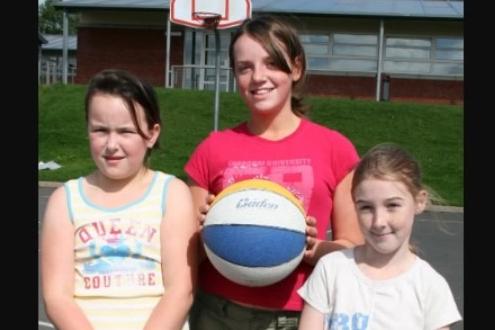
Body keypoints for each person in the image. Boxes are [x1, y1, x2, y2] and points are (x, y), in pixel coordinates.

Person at [184, 15, 364, 330]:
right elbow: (187, 254)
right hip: (219, 313)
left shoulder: (335, 148)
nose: (258, 77)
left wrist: (313, 247)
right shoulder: (213, 149)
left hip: (302, 315)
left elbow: (354, 250)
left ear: (296, 68)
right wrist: (205, 232)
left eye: (271, 63)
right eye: (245, 67)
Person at [40, 69, 198, 330]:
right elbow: (57, 297)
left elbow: (180, 291)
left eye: (126, 131)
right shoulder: (64, 200)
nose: (111, 144)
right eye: (100, 130)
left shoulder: (172, 194)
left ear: (152, 134)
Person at [297, 143, 462, 330]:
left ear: (419, 201)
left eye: (392, 205)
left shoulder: (430, 286)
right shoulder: (331, 270)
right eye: (366, 207)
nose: (378, 222)